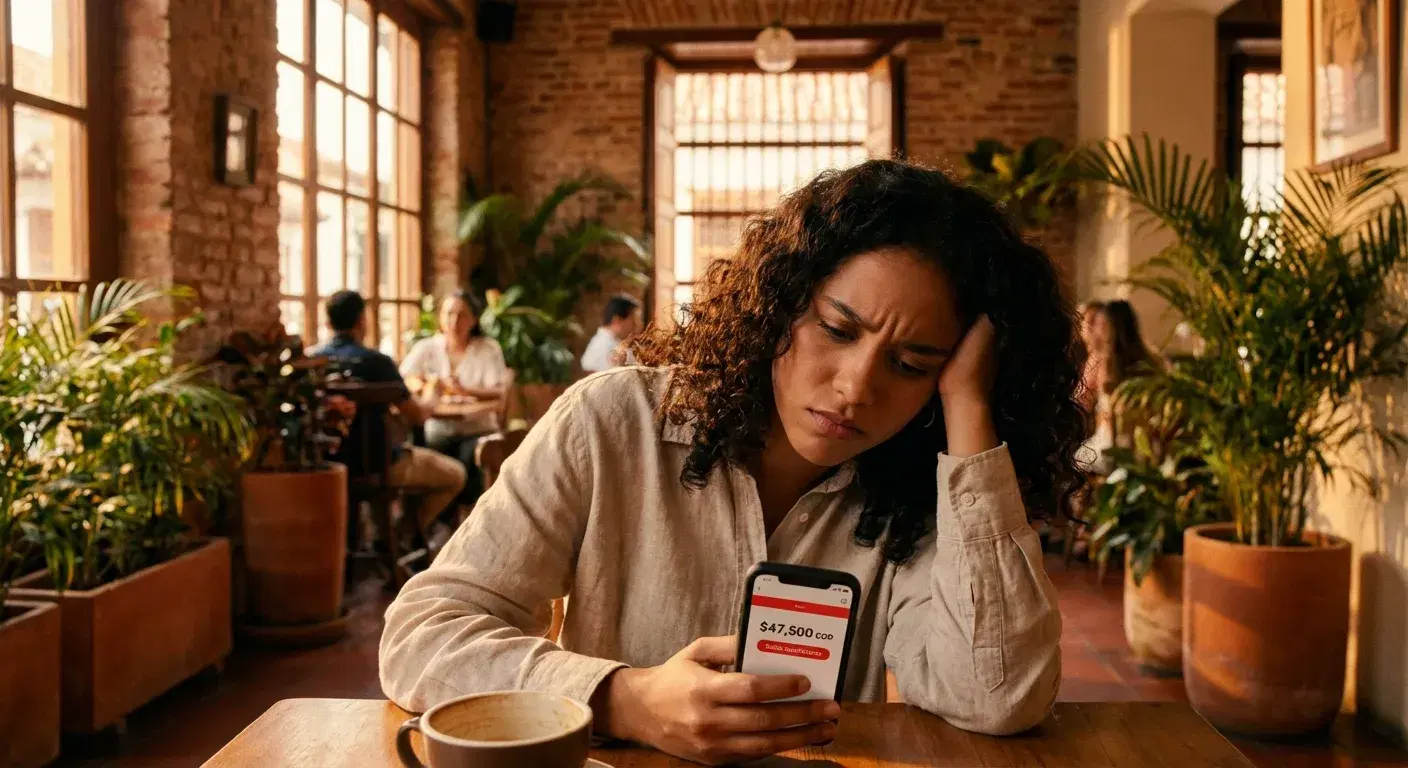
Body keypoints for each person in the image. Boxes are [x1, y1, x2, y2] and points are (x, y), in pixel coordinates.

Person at [379, 160, 1086, 764]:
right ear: (778, 305)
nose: (855, 387)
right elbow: (421, 635)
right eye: (837, 330)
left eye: (909, 363)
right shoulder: (612, 423)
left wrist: (969, 411)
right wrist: (622, 698)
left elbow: (996, 698)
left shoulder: (928, 490)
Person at [311, 290, 467, 536]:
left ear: (327, 322)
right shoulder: (377, 363)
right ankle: (402, 537)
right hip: (376, 467)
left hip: (323, 466)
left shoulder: (311, 361)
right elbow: (417, 415)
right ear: (362, 321)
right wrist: (433, 393)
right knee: (456, 475)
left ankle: (383, 538)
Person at [400, 290, 514, 509]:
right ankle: (436, 523)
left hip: (477, 429)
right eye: (448, 313)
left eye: (461, 315)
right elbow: (406, 378)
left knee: (468, 456)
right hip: (438, 429)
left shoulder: (487, 348)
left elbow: (498, 391)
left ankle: (464, 521)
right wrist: (427, 385)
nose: (454, 321)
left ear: (473, 320)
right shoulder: (427, 347)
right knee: (426, 450)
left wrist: (462, 389)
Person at [1078, 299, 1159, 473]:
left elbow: (1084, 403)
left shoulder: (1104, 364)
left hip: (1114, 445)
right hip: (1147, 446)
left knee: (1073, 464)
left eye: (1098, 323)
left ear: (1107, 327)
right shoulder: (1151, 360)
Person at [580, 294, 642, 373]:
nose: (637, 325)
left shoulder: (615, 343)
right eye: (633, 320)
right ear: (617, 320)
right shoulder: (603, 346)